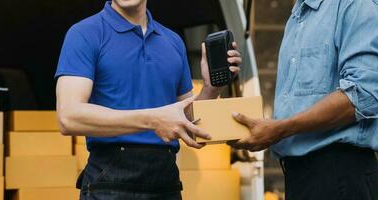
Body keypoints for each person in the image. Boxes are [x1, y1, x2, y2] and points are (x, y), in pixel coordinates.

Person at [55, 0, 242, 199]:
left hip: (166, 180)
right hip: (109, 179)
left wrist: (210, 90)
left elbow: (187, 120)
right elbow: (69, 117)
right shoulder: (84, 33)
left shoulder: (173, 41)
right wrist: (153, 120)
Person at [230, 0, 378, 199]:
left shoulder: (356, 6)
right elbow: (302, 104)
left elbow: (363, 96)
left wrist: (279, 129)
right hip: (302, 177)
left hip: (340, 176)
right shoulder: (299, 15)